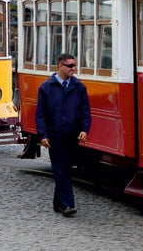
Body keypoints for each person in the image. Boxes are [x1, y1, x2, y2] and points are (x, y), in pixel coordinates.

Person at [35, 53, 91, 217]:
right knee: (60, 168)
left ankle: (58, 203)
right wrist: (43, 135)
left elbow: (85, 112)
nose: (73, 69)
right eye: (70, 66)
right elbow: (40, 114)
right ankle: (67, 204)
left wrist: (84, 129)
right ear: (60, 66)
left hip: (72, 134)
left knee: (65, 168)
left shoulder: (79, 87)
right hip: (55, 135)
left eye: (74, 65)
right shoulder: (46, 87)